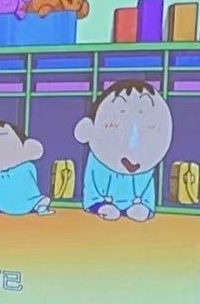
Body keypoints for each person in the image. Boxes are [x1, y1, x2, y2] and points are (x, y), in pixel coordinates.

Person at [74, 79, 173, 221]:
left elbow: (147, 187)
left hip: (136, 202)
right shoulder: (99, 157)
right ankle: (100, 205)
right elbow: (92, 185)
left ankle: (138, 207)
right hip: (104, 200)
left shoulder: (147, 158)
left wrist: (145, 205)